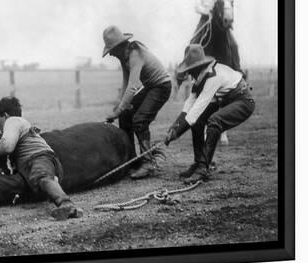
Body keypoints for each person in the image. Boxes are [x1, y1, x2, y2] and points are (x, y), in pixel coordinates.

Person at [164, 44, 255, 184]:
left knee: (214, 121)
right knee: (198, 122)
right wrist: (174, 127)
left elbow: (196, 110)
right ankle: (198, 162)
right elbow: (189, 104)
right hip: (226, 100)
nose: (189, 74)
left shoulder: (213, 77)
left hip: (243, 101)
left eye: (191, 69)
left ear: (199, 66)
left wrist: (177, 133)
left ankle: (203, 168)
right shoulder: (200, 76)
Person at [102, 25, 172, 179]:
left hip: (161, 86)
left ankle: (148, 163)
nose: (111, 54)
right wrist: (118, 107)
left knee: (139, 120)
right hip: (150, 87)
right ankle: (131, 160)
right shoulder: (124, 57)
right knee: (125, 116)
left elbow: (134, 85)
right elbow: (125, 83)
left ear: (119, 46)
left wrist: (118, 109)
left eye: (112, 50)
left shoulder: (135, 54)